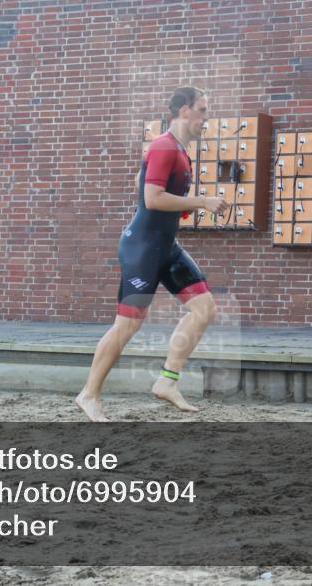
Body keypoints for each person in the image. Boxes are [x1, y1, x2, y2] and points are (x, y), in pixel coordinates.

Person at [76, 87, 228, 422]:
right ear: (185, 111)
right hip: (143, 249)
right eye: (203, 110)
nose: (207, 117)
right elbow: (152, 198)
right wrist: (201, 202)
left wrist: (176, 209)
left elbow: (140, 182)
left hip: (165, 247)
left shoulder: (178, 150)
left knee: (204, 309)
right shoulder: (164, 146)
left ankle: (167, 382)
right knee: (127, 326)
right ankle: (88, 394)